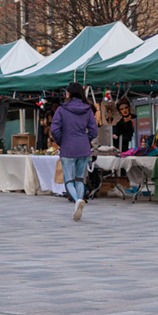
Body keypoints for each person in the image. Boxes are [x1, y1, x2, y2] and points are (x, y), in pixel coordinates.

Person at [49, 88, 98, 220]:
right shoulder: (88, 109)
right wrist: (85, 140)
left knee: (69, 180)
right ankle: (79, 200)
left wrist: (61, 141)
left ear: (69, 93)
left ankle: (76, 200)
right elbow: (94, 130)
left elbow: (54, 129)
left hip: (68, 147)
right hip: (83, 148)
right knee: (80, 179)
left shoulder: (62, 109)